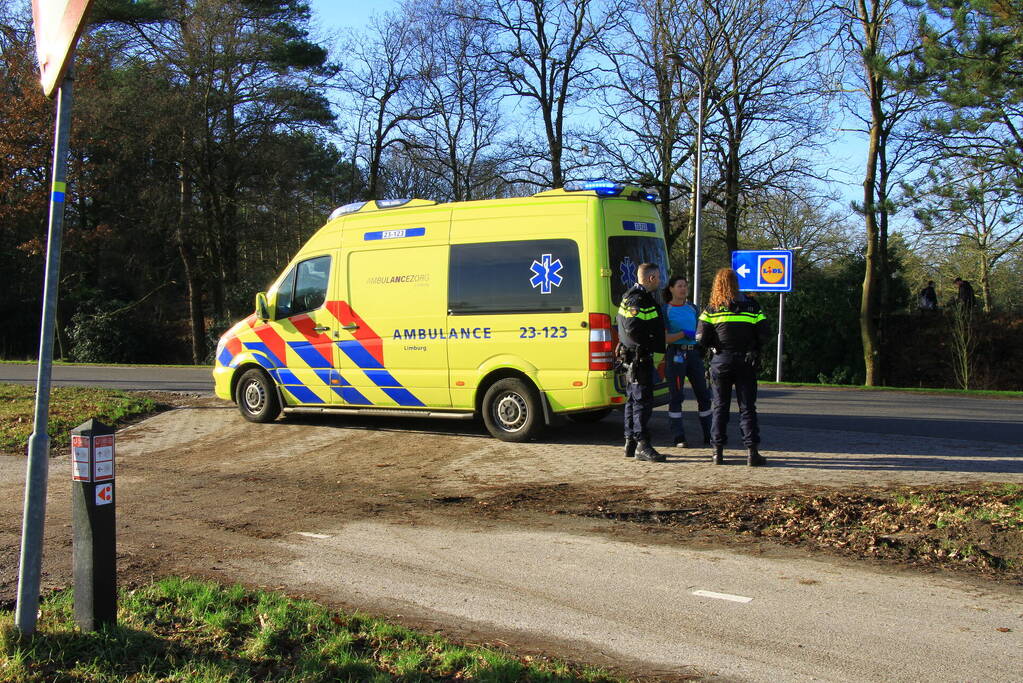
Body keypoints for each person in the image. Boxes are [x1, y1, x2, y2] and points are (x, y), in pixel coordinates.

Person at [696, 268, 770, 467]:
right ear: (736, 283)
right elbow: (764, 334)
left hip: (721, 361)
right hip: (746, 361)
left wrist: (713, 345)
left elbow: (701, 338)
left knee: (720, 407)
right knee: (747, 408)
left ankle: (717, 453)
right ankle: (752, 452)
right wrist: (753, 348)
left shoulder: (712, 308)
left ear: (717, 285)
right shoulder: (752, 306)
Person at [617, 262, 666, 462]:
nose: (660, 281)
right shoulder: (639, 299)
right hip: (639, 357)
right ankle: (642, 444)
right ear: (651, 278)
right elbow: (633, 329)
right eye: (659, 277)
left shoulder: (631, 295)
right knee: (642, 403)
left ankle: (630, 441)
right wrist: (652, 344)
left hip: (634, 357)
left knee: (632, 401)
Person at [662, 275, 712, 448]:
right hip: (676, 354)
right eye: (679, 286)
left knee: (704, 395)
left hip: (693, 355)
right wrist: (683, 334)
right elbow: (666, 338)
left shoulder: (693, 308)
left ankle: (709, 435)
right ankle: (679, 437)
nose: (683, 289)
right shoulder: (665, 310)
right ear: (671, 289)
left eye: (685, 286)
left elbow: (701, 330)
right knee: (676, 396)